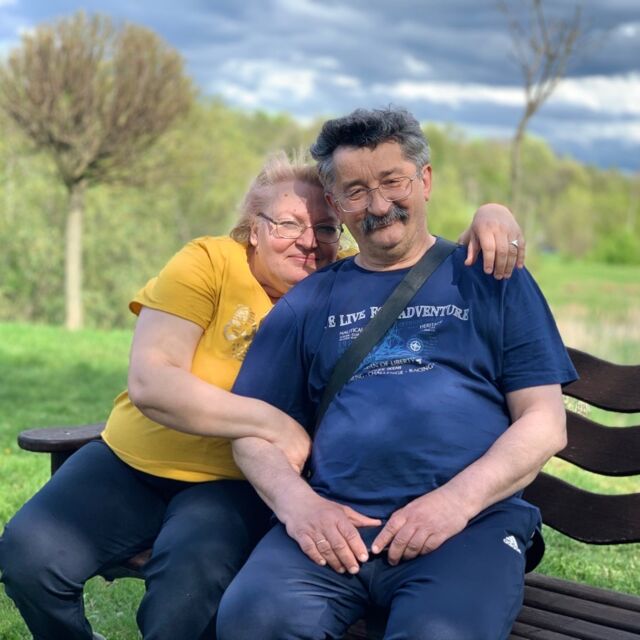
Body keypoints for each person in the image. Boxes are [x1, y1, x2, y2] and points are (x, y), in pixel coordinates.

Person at [0, 148, 525, 640]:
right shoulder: (210, 262)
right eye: (288, 224)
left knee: (187, 592)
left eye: (325, 228)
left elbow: (413, 252)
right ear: (253, 229)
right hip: (134, 459)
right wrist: (270, 422)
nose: (308, 241)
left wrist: (492, 213)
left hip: (235, 485)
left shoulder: (338, 288)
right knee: (28, 556)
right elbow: (151, 382)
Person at [216, 109, 577, 640]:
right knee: (252, 623)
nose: (380, 205)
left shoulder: (491, 278)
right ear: (336, 203)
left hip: (467, 528)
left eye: (393, 181)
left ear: (424, 180)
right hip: (333, 529)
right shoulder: (308, 302)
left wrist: (455, 502)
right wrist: (300, 506)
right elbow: (251, 432)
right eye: (356, 191)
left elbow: (544, 422)